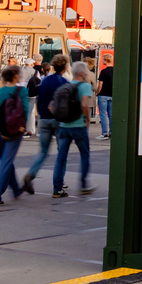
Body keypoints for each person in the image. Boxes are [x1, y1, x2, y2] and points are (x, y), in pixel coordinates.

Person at [0, 64, 31, 207]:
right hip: (14, 132)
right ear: (16, 76)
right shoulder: (22, 91)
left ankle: (16, 190)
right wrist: (23, 127)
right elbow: (25, 110)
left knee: (6, 161)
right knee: (5, 163)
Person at [22, 53, 68, 194]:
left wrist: (41, 113)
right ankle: (58, 185)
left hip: (44, 119)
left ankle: (31, 173)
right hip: (58, 120)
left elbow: (39, 98)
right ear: (65, 67)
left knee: (43, 151)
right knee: (62, 153)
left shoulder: (45, 80)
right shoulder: (64, 82)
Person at [52, 61, 96, 197]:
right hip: (78, 126)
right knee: (84, 154)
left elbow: (51, 106)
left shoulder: (66, 86)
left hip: (64, 126)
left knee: (61, 157)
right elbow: (84, 104)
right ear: (82, 73)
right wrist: (87, 119)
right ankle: (83, 185)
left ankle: (57, 189)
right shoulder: (85, 86)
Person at [95, 59, 114, 139]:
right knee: (111, 115)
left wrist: (97, 93)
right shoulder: (115, 71)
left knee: (103, 114)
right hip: (112, 94)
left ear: (106, 60)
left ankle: (104, 133)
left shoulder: (103, 71)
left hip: (103, 95)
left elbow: (100, 85)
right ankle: (111, 132)